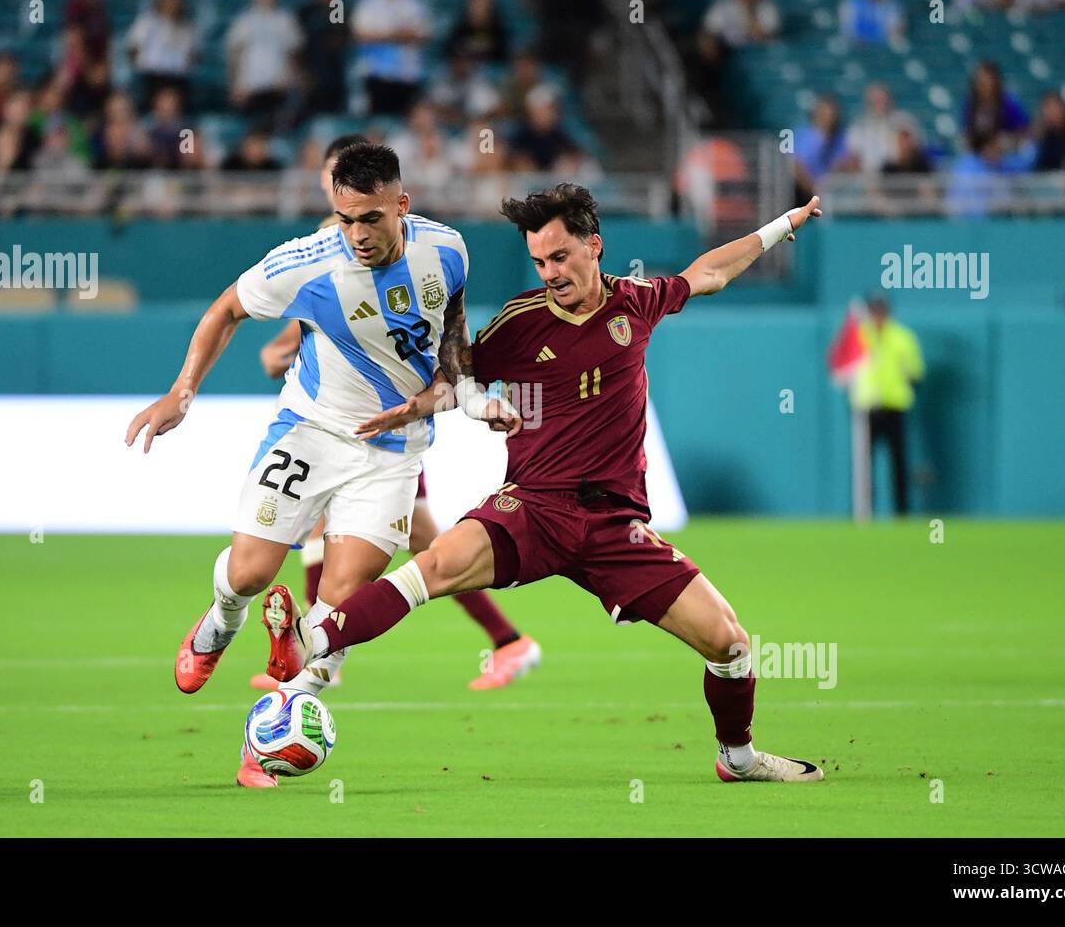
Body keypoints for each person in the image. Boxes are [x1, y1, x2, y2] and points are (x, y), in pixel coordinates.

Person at [262, 184, 827, 784]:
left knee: (730, 644)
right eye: (539, 261)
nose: (550, 273)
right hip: (531, 508)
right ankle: (310, 640)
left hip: (615, 526)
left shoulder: (637, 303)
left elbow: (709, 271)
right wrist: (425, 406)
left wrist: (780, 226)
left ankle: (737, 758)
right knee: (431, 568)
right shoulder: (520, 322)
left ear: (594, 247)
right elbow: (456, 379)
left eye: (560, 257)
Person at [125, 142, 517, 788]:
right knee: (250, 574)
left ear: (402, 205)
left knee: (338, 611)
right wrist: (182, 393)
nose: (357, 233)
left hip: (393, 456)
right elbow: (225, 310)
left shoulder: (446, 250)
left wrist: (470, 397)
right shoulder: (304, 265)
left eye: (370, 218)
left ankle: (268, 736)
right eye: (344, 218)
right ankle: (222, 620)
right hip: (310, 431)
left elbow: (452, 338)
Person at [254, 133, 540, 694]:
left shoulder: (411, 247)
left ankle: (507, 641)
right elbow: (310, 324)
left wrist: (281, 350)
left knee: (429, 547)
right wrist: (283, 349)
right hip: (350, 421)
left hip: (389, 430)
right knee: (363, 535)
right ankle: (318, 656)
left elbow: (427, 329)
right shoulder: (331, 242)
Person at [851, 297, 924, 515]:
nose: (878, 315)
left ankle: (901, 514)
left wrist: (905, 389)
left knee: (898, 464)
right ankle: (864, 512)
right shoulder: (859, 337)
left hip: (894, 406)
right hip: (867, 409)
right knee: (864, 466)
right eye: (874, 310)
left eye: (881, 310)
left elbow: (915, 372)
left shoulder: (903, 337)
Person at [225, 0, 303, 132]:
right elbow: (235, 54)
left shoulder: (285, 19)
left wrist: (289, 78)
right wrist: (236, 84)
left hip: (277, 85)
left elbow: (294, 53)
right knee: (252, 131)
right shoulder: (245, 20)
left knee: (277, 130)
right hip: (250, 86)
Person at [351, 0, 433, 116]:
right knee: (378, 118)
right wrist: (395, 35)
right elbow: (361, 35)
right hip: (377, 73)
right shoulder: (368, 2)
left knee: (405, 118)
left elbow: (424, 34)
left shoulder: (414, 3)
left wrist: (391, 35)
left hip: (408, 73)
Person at [702, 0, 780, 48]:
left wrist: (750, 11)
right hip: (727, 50)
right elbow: (710, 30)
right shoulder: (723, 4)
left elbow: (768, 36)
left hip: (759, 51)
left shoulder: (767, 6)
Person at [839, 0, 904, 45]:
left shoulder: (893, 6)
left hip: (883, 50)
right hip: (856, 48)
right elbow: (847, 32)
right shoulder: (850, 2)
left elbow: (895, 35)